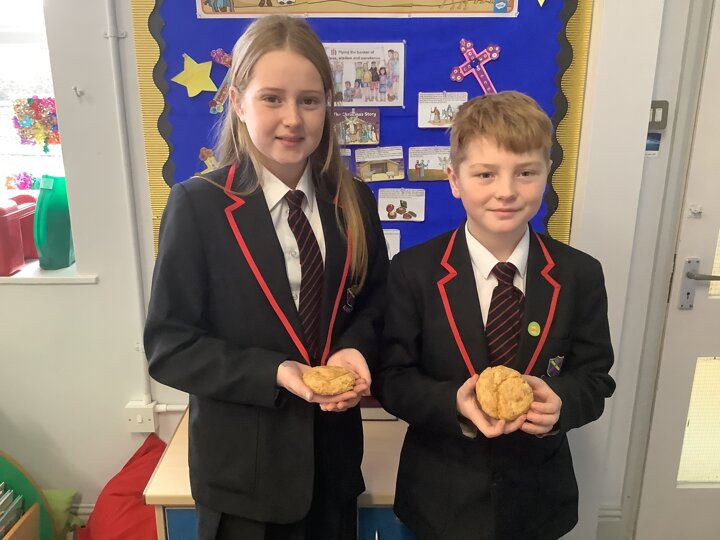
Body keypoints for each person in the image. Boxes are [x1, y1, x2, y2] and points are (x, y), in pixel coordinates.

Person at [144, 15, 388, 540]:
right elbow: (170, 347)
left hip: (333, 470)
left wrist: (354, 349)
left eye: (310, 100)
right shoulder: (199, 207)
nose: (292, 119)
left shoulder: (353, 202)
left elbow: (375, 305)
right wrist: (275, 371)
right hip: (243, 484)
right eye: (272, 98)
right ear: (237, 101)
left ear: (328, 105)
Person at [374, 91, 615, 539]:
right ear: (454, 179)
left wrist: (561, 403)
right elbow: (392, 377)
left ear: (547, 173)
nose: (506, 191)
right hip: (439, 499)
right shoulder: (413, 271)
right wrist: (453, 403)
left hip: (538, 502)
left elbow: (596, 378)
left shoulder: (579, 274)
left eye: (526, 172)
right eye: (485, 174)